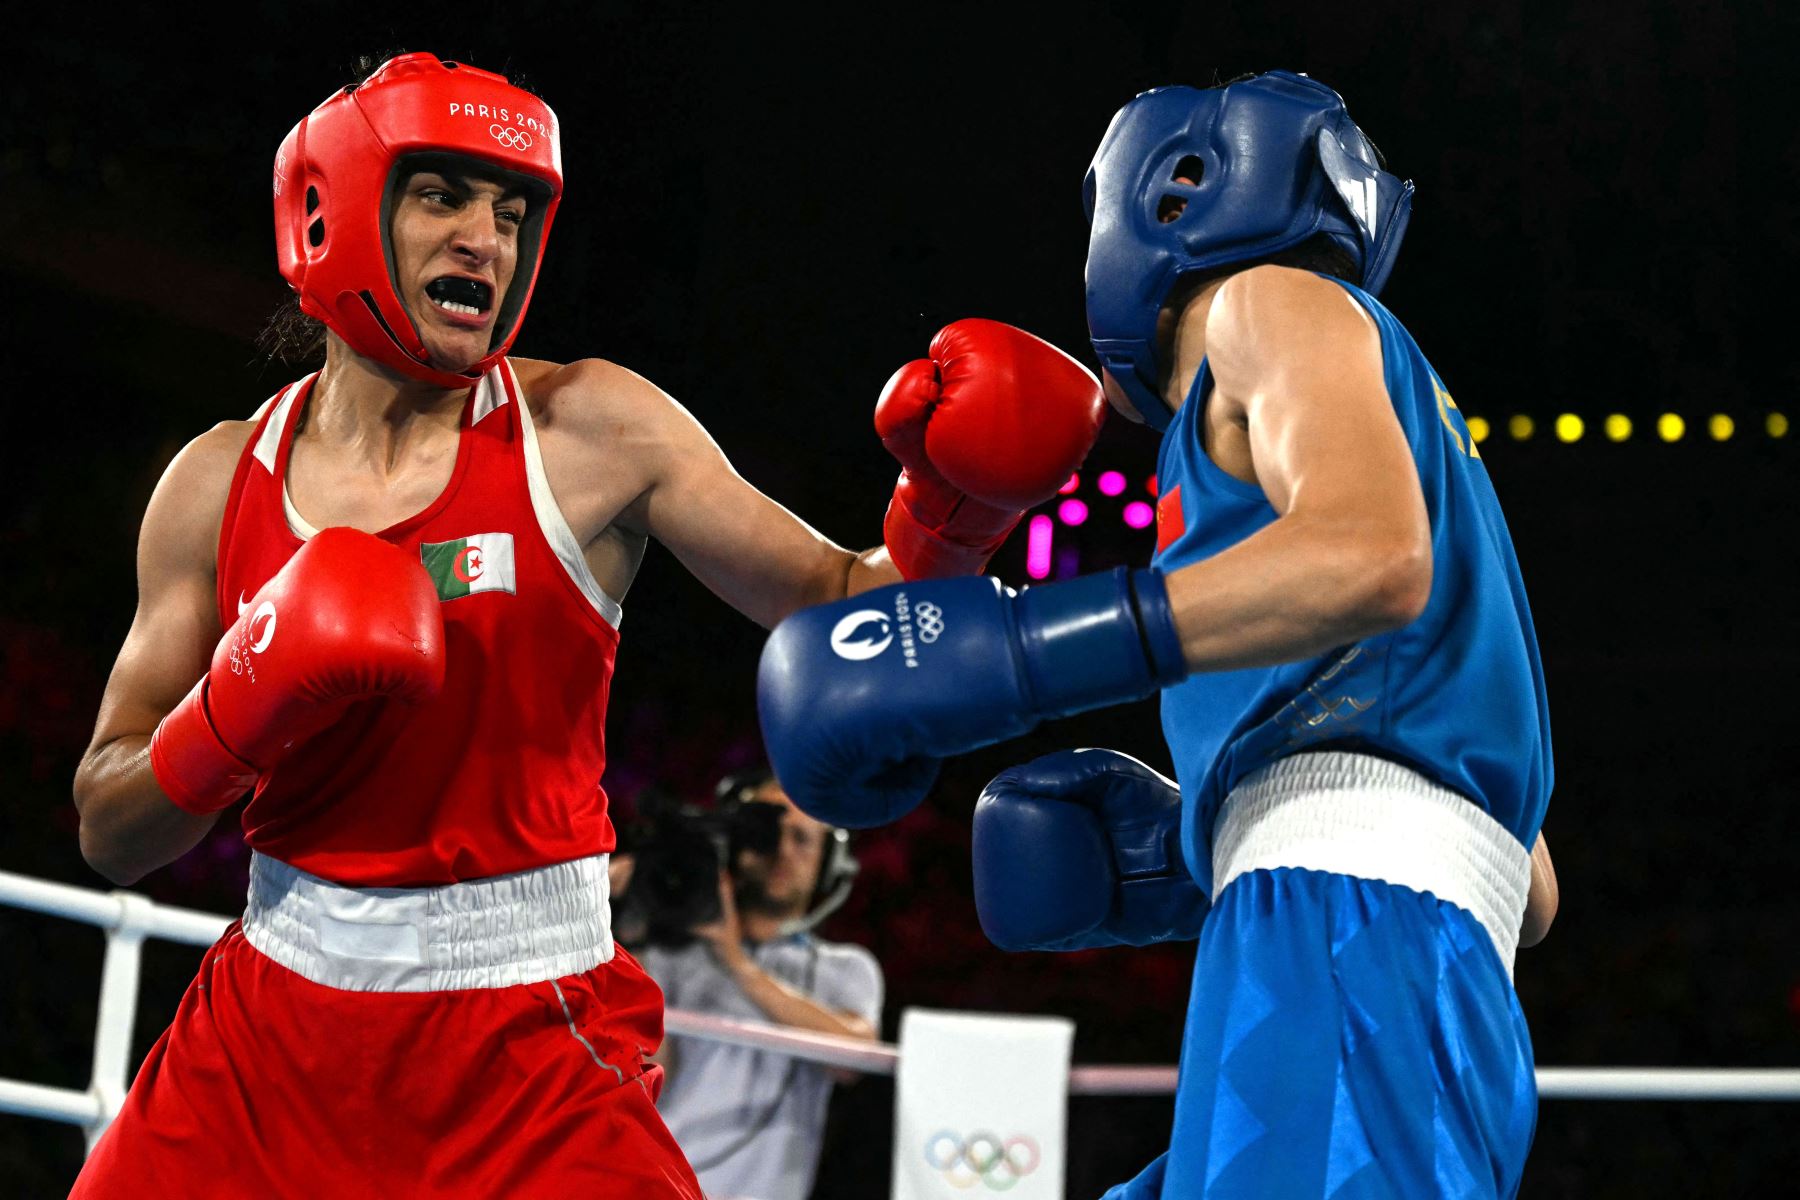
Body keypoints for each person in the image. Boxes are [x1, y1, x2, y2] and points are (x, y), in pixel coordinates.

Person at [67, 52, 1104, 1197]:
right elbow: (111, 828)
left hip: (528, 1034)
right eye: (441, 195)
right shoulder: (218, 484)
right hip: (271, 1023)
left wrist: (955, 514)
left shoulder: (590, 430)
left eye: (513, 213)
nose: (486, 241)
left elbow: (842, 606)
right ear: (330, 209)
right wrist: (241, 701)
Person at [757, 70, 1557, 1198]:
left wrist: (1026, 652)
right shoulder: (1400, 419)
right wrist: (1197, 847)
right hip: (1409, 963)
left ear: (1176, 192)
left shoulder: (1266, 304)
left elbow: (1372, 558)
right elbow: (1524, 883)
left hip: (1348, 946)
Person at [636, 770, 882, 1200]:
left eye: (802, 838)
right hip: (658, 1188)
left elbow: (855, 1060)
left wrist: (738, 963)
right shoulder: (668, 956)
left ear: (829, 863)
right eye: (765, 832)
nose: (782, 851)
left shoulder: (846, 968)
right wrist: (631, 927)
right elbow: (644, 1080)